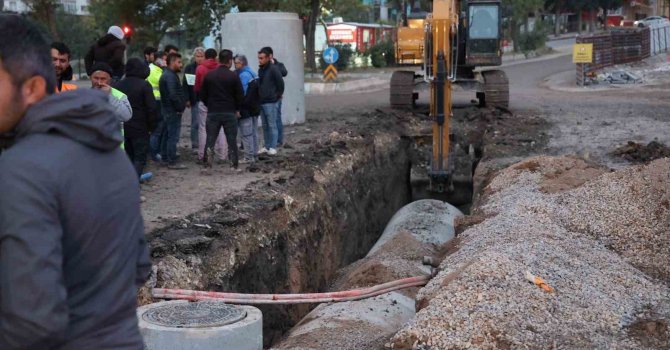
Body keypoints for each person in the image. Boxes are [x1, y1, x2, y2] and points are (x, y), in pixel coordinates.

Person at [0, 14, 150, 349]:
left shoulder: (21, 169)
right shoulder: (110, 150)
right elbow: (138, 268)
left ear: (32, 88)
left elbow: (31, 324)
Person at [200, 49, 244, 170]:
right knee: (231, 140)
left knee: (210, 139)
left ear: (219, 60)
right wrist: (237, 108)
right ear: (230, 61)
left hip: (213, 112)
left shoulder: (210, 75)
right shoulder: (233, 76)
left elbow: (202, 95)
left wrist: (209, 104)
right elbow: (240, 95)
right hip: (229, 112)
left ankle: (207, 165)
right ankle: (233, 166)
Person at [116, 58, 157, 181]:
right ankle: (133, 184)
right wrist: (152, 127)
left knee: (128, 156)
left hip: (123, 126)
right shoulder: (144, 85)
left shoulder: (119, 84)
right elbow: (151, 108)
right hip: (140, 127)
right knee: (140, 158)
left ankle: (128, 181)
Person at [194, 48, 226, 163]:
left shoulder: (200, 68)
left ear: (205, 56)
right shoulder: (220, 68)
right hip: (219, 102)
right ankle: (222, 155)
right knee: (221, 128)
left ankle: (203, 156)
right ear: (216, 56)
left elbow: (197, 87)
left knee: (203, 129)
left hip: (205, 101)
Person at [159, 52, 187, 169]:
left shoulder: (167, 74)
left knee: (167, 134)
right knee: (172, 136)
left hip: (167, 110)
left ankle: (165, 158)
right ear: (172, 62)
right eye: (179, 62)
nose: (181, 65)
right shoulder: (170, 76)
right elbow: (173, 95)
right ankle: (171, 160)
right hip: (172, 111)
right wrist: (179, 108)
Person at [257, 47, 284, 156]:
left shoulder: (273, 69)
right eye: (259, 58)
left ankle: (273, 147)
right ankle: (267, 146)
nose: (260, 60)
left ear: (269, 58)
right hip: (262, 101)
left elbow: (280, 83)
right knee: (265, 125)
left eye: (262, 58)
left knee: (272, 124)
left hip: (271, 101)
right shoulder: (261, 69)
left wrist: (278, 95)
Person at [234, 54, 260, 163]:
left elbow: (242, 93)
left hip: (246, 109)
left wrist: (238, 108)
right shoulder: (253, 73)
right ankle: (254, 154)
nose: (234, 66)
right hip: (255, 108)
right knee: (253, 132)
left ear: (241, 63)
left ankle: (249, 157)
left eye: (236, 63)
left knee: (246, 134)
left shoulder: (243, 75)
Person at [183, 47, 205, 152]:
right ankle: (195, 144)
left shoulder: (206, 68)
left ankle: (204, 144)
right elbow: (186, 84)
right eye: (197, 56)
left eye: (201, 56)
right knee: (195, 122)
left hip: (205, 99)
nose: (199, 58)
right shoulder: (190, 68)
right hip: (194, 99)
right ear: (194, 57)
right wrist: (187, 99)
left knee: (205, 123)